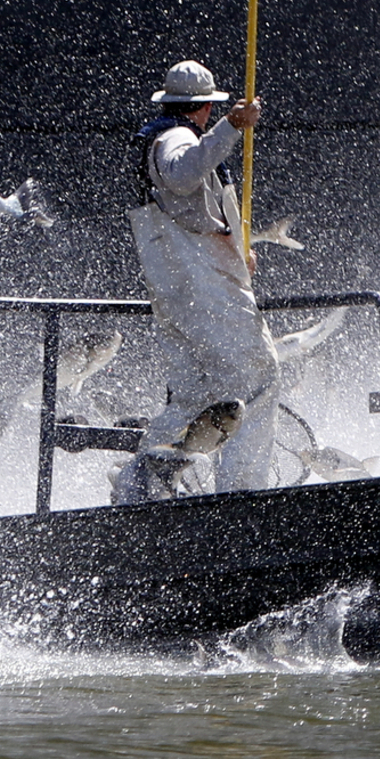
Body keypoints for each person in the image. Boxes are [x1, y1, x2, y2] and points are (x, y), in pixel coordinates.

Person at [118, 59, 278, 498]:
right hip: (204, 290)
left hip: (178, 288)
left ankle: (140, 487)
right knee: (258, 378)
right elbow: (184, 174)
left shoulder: (165, 136)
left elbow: (194, 210)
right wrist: (233, 126)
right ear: (206, 107)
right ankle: (241, 494)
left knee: (193, 393)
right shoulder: (176, 136)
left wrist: (237, 249)